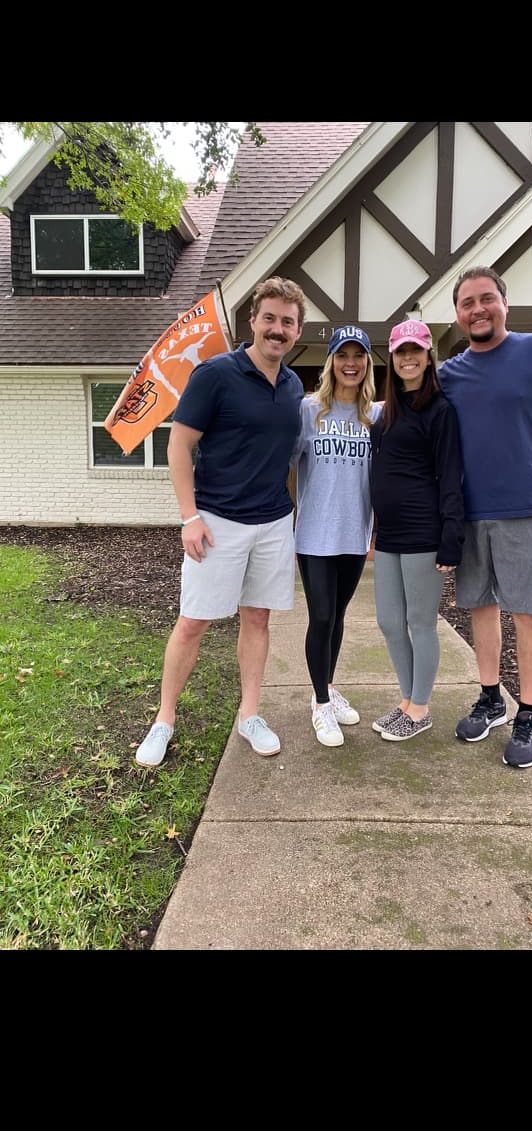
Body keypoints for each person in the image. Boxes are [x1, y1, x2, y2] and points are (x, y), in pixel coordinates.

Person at [135, 275, 305, 768]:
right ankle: (164, 719)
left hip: (273, 523)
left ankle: (249, 714)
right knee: (193, 622)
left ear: (298, 331)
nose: (278, 329)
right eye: (269, 319)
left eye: (287, 322)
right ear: (252, 322)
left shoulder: (294, 385)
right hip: (216, 522)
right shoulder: (215, 374)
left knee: (258, 618)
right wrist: (189, 517)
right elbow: (178, 445)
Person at [438, 266, 532, 769]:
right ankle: (490, 699)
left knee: (527, 612)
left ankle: (528, 713)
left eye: (486, 299)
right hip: (471, 514)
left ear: (505, 303)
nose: (477, 309)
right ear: (457, 315)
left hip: (528, 509)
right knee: (480, 608)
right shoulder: (450, 374)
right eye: (467, 303)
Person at [370, 319, 465, 742]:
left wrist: (451, 537)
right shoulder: (388, 410)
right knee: (390, 621)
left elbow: (450, 476)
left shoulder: (440, 410)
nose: (408, 358)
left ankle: (420, 707)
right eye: (401, 351)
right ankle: (406, 700)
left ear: (428, 356)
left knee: (420, 622)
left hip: (424, 532)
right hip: (389, 532)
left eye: (416, 350)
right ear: (392, 357)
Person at [291, 326, 382, 746]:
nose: (351, 362)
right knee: (322, 616)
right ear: (331, 361)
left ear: (366, 363)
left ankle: (324, 688)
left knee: (339, 618)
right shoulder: (309, 411)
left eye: (358, 355)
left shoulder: (375, 416)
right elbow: (285, 462)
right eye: (343, 355)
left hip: (354, 534)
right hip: (314, 535)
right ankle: (322, 705)